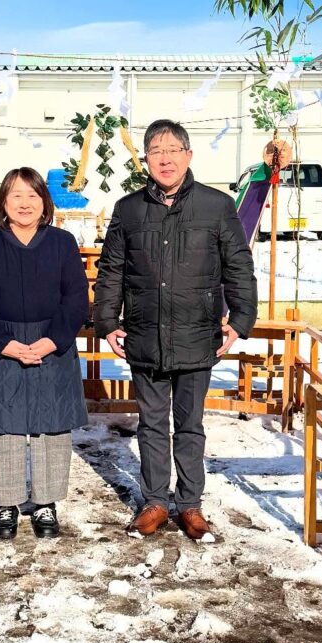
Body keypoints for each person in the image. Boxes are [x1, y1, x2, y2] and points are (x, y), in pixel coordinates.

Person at [93, 119, 258, 542]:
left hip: (198, 333)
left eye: (172, 150)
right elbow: (111, 270)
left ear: (188, 155)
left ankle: (190, 504)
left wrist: (240, 320)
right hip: (145, 333)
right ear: (145, 159)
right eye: (155, 151)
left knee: (190, 425)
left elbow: (238, 266)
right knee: (150, 423)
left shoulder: (216, 206)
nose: (164, 159)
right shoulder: (129, 209)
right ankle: (154, 502)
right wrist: (107, 321)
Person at [0, 167, 90, 540]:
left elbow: (76, 298)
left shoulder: (62, 243)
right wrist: (4, 343)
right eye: (16, 195)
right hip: (0, 345)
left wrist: (53, 340)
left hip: (52, 343)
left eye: (33, 195)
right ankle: (5, 504)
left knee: (51, 426)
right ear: (3, 201)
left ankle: (46, 504)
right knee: (2, 426)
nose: (25, 203)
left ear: (44, 202)